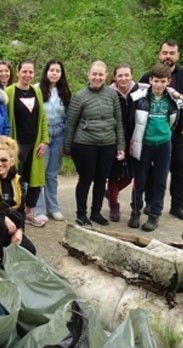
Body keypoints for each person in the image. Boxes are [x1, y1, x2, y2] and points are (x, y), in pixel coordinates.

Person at [129, 64, 183, 231]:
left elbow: (177, 120)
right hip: (144, 143)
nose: (159, 85)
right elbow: (130, 113)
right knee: (139, 180)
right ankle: (136, 211)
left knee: (160, 181)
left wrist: (181, 98)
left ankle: (154, 215)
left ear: (168, 82)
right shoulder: (140, 97)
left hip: (163, 144)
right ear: (150, 80)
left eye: (163, 81)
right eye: (156, 81)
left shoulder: (173, 100)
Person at [139, 39, 183, 222]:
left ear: (178, 55)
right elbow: (138, 101)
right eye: (165, 53)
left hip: (176, 134)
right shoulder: (147, 77)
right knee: (152, 170)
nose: (168, 56)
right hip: (152, 135)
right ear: (159, 54)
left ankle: (177, 206)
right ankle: (150, 203)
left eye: (172, 53)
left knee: (179, 167)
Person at [63, 60, 125, 227]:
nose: (97, 77)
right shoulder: (79, 96)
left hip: (108, 144)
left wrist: (121, 146)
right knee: (86, 179)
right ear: (88, 75)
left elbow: (118, 121)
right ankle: (81, 214)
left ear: (106, 76)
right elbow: (71, 124)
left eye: (100, 74)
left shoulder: (113, 95)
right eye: (94, 74)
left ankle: (96, 212)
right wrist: (67, 147)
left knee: (101, 179)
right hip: (85, 144)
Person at [5, 60, 50, 227]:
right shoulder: (9, 92)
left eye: (31, 72)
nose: (27, 75)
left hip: (35, 143)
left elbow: (43, 118)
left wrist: (44, 140)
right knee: (15, 178)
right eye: (24, 71)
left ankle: (30, 212)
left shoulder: (36, 91)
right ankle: (15, 213)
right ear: (18, 72)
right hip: (16, 144)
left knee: (36, 180)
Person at [35, 59, 72, 222]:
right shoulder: (37, 89)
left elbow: (69, 115)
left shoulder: (64, 91)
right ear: (46, 72)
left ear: (61, 74)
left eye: (58, 71)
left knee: (52, 173)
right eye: (52, 70)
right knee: (39, 173)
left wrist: (67, 141)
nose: (54, 73)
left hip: (59, 133)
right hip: (43, 134)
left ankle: (53, 207)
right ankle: (38, 209)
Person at [107, 63, 139, 222]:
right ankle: (114, 205)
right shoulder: (109, 93)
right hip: (114, 138)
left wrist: (180, 96)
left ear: (132, 75)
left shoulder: (139, 91)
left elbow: (163, 88)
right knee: (114, 174)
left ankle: (111, 192)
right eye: (120, 75)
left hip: (135, 138)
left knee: (131, 174)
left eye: (126, 75)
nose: (123, 78)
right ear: (114, 77)